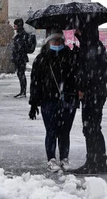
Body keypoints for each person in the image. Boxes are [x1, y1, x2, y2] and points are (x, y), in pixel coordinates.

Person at [29, 29, 78, 172]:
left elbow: (76, 76)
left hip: (67, 99)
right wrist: (33, 103)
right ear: (48, 42)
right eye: (54, 40)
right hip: (48, 100)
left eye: (60, 40)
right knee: (51, 131)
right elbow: (35, 82)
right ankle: (51, 159)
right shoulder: (41, 59)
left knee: (65, 131)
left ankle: (64, 159)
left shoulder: (70, 56)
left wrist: (77, 53)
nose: (57, 42)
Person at [71, 24, 107, 174]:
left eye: (78, 28)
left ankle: (92, 161)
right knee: (94, 127)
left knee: (90, 127)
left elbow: (88, 72)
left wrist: (82, 88)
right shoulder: (94, 45)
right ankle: (99, 160)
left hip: (92, 93)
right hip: (98, 92)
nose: (75, 30)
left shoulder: (89, 47)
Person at [12, 18, 29, 98]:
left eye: (15, 25)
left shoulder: (22, 34)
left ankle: (23, 91)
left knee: (21, 74)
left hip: (21, 58)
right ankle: (22, 91)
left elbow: (21, 47)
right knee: (20, 74)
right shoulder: (19, 34)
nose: (13, 26)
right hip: (19, 57)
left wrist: (16, 49)